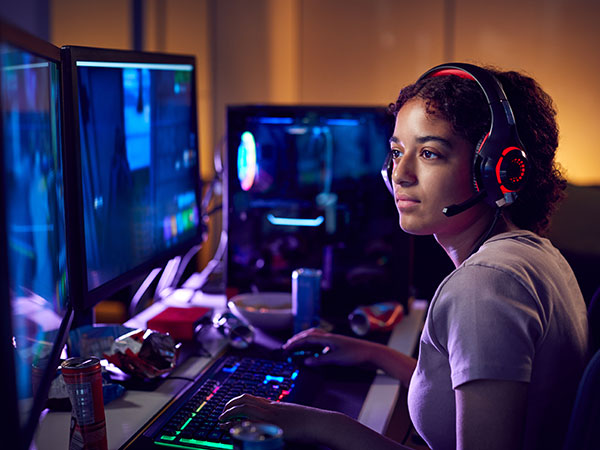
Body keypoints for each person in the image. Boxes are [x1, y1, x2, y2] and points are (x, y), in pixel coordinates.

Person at [218, 63, 590, 450]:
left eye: (429, 153)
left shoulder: (484, 286)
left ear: (496, 171)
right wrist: (371, 353)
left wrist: (322, 425)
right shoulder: (533, 256)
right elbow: (464, 384)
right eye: (397, 151)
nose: (400, 174)